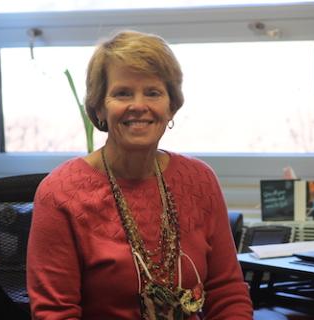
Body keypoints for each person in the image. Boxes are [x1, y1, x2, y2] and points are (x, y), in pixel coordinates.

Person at [27, 30, 253, 319]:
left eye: (153, 92)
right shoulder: (59, 194)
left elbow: (227, 293)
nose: (138, 105)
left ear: (171, 106)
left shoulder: (200, 180)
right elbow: (55, 314)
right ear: (98, 107)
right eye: (122, 93)